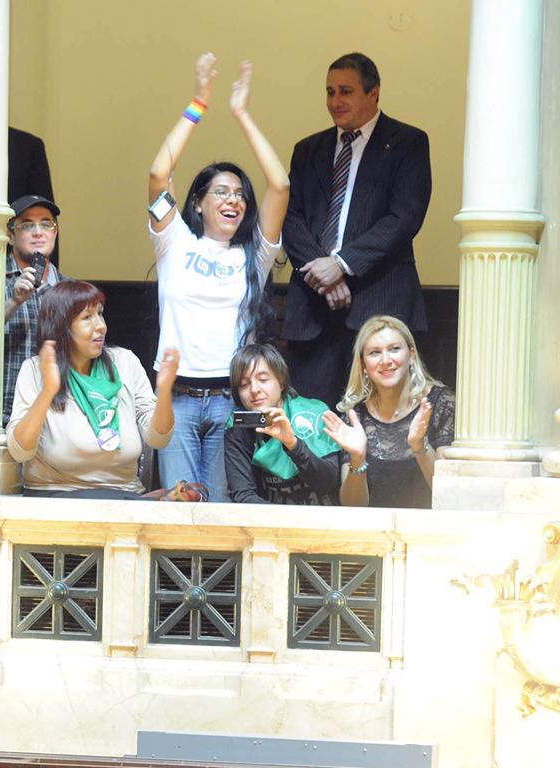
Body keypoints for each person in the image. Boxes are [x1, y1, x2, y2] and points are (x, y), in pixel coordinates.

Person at [147, 53, 289, 501]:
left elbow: (280, 186)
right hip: (177, 399)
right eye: (221, 192)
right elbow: (158, 173)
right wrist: (198, 104)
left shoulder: (255, 256)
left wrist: (243, 115)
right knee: (177, 509)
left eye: (240, 195)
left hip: (232, 401)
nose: (235, 200)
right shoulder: (174, 242)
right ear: (198, 204)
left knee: (225, 514)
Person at [282, 52, 432, 411]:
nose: (335, 101)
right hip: (314, 307)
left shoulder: (408, 142)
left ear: (373, 93)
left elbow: (404, 218)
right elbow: (289, 217)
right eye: (330, 91)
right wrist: (326, 271)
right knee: (311, 424)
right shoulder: (308, 150)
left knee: (378, 420)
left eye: (345, 91)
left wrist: (343, 263)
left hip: (379, 300)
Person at [6, 280, 179, 498]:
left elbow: (158, 440)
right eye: (87, 318)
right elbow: (20, 451)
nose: (101, 326)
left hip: (123, 496)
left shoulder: (125, 362)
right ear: (61, 327)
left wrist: (164, 392)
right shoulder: (35, 370)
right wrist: (48, 392)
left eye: (100, 314)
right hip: (55, 498)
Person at [322, 315, 454, 508]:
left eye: (394, 349)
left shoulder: (441, 403)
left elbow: (449, 494)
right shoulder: (355, 416)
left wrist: (419, 445)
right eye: (375, 353)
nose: (386, 360)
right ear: (364, 365)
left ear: (411, 354)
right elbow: (353, 507)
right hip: (373, 533)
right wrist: (357, 459)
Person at [225, 342, 350, 506]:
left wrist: (293, 444)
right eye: (244, 384)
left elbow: (327, 483)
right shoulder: (238, 426)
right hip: (270, 523)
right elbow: (242, 495)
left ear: (281, 381)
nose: (254, 389)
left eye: (263, 379)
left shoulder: (312, 413)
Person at [3, 195, 66, 425]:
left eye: (46, 224)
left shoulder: (70, 289)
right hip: (4, 414)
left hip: (57, 418)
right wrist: (14, 301)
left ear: (55, 232)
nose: (38, 232)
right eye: (27, 225)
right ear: (10, 235)